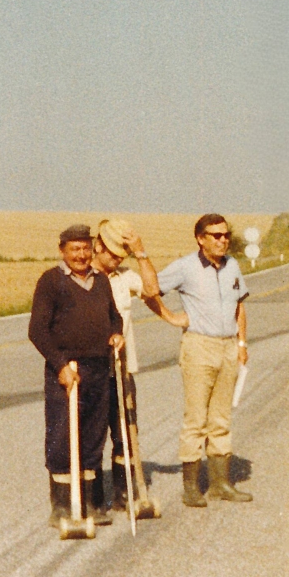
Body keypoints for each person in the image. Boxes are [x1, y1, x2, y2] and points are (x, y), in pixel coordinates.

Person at [29, 224, 124, 529]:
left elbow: (115, 317)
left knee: (94, 436)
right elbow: (37, 331)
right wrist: (60, 366)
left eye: (85, 248)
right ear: (63, 251)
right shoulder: (51, 281)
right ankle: (61, 506)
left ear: (92, 249)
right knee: (62, 436)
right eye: (74, 249)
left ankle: (91, 503)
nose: (81, 255)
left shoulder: (101, 282)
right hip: (67, 370)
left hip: (98, 368)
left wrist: (116, 335)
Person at [157, 214, 252, 507]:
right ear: (200, 238)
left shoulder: (233, 265)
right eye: (215, 235)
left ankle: (220, 484)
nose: (222, 240)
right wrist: (171, 317)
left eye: (225, 235)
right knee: (196, 419)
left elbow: (239, 306)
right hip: (199, 346)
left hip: (228, 347)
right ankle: (191, 488)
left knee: (221, 419)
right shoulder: (184, 267)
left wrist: (241, 341)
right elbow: (150, 289)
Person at [92, 219, 188, 511]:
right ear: (97, 246)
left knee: (125, 432)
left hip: (122, 368)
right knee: (93, 434)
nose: (116, 259)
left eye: (121, 255)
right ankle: (93, 498)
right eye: (111, 253)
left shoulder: (124, 276)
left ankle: (124, 494)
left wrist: (141, 254)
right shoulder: (85, 277)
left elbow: (151, 290)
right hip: (92, 369)